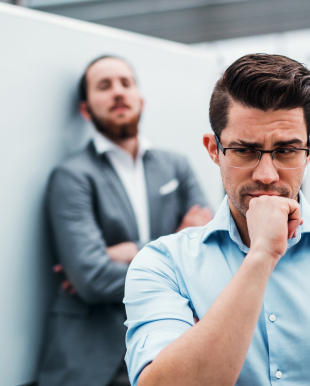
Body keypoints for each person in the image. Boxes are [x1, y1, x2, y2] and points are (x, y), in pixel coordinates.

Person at [123, 54, 310, 386]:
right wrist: (260, 257)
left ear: (309, 150)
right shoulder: (164, 264)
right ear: (213, 149)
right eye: (244, 150)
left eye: (285, 151)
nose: (266, 175)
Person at [38, 56, 212, 386]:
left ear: (140, 100)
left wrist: (131, 250)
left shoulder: (176, 166)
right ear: (86, 110)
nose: (118, 92)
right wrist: (172, 248)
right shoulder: (71, 176)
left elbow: (206, 255)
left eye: (125, 83)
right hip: (93, 362)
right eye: (104, 86)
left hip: (170, 350)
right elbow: (93, 279)